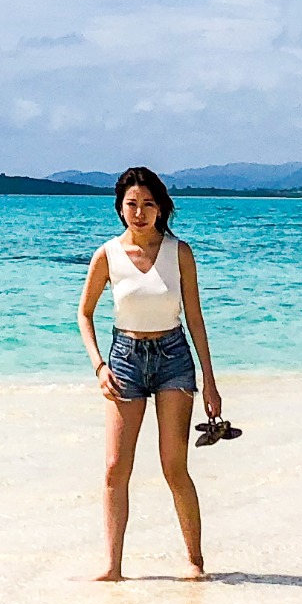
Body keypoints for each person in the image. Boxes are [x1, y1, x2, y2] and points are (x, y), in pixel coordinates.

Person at [76, 163, 223, 580]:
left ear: (161, 209)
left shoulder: (180, 253)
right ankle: (113, 566)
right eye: (132, 204)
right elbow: (84, 314)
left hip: (174, 358)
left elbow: (195, 318)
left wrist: (209, 382)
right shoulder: (108, 254)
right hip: (124, 359)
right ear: (120, 209)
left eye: (148, 204)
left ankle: (194, 561)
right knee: (114, 467)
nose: (139, 212)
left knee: (173, 466)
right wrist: (99, 365)